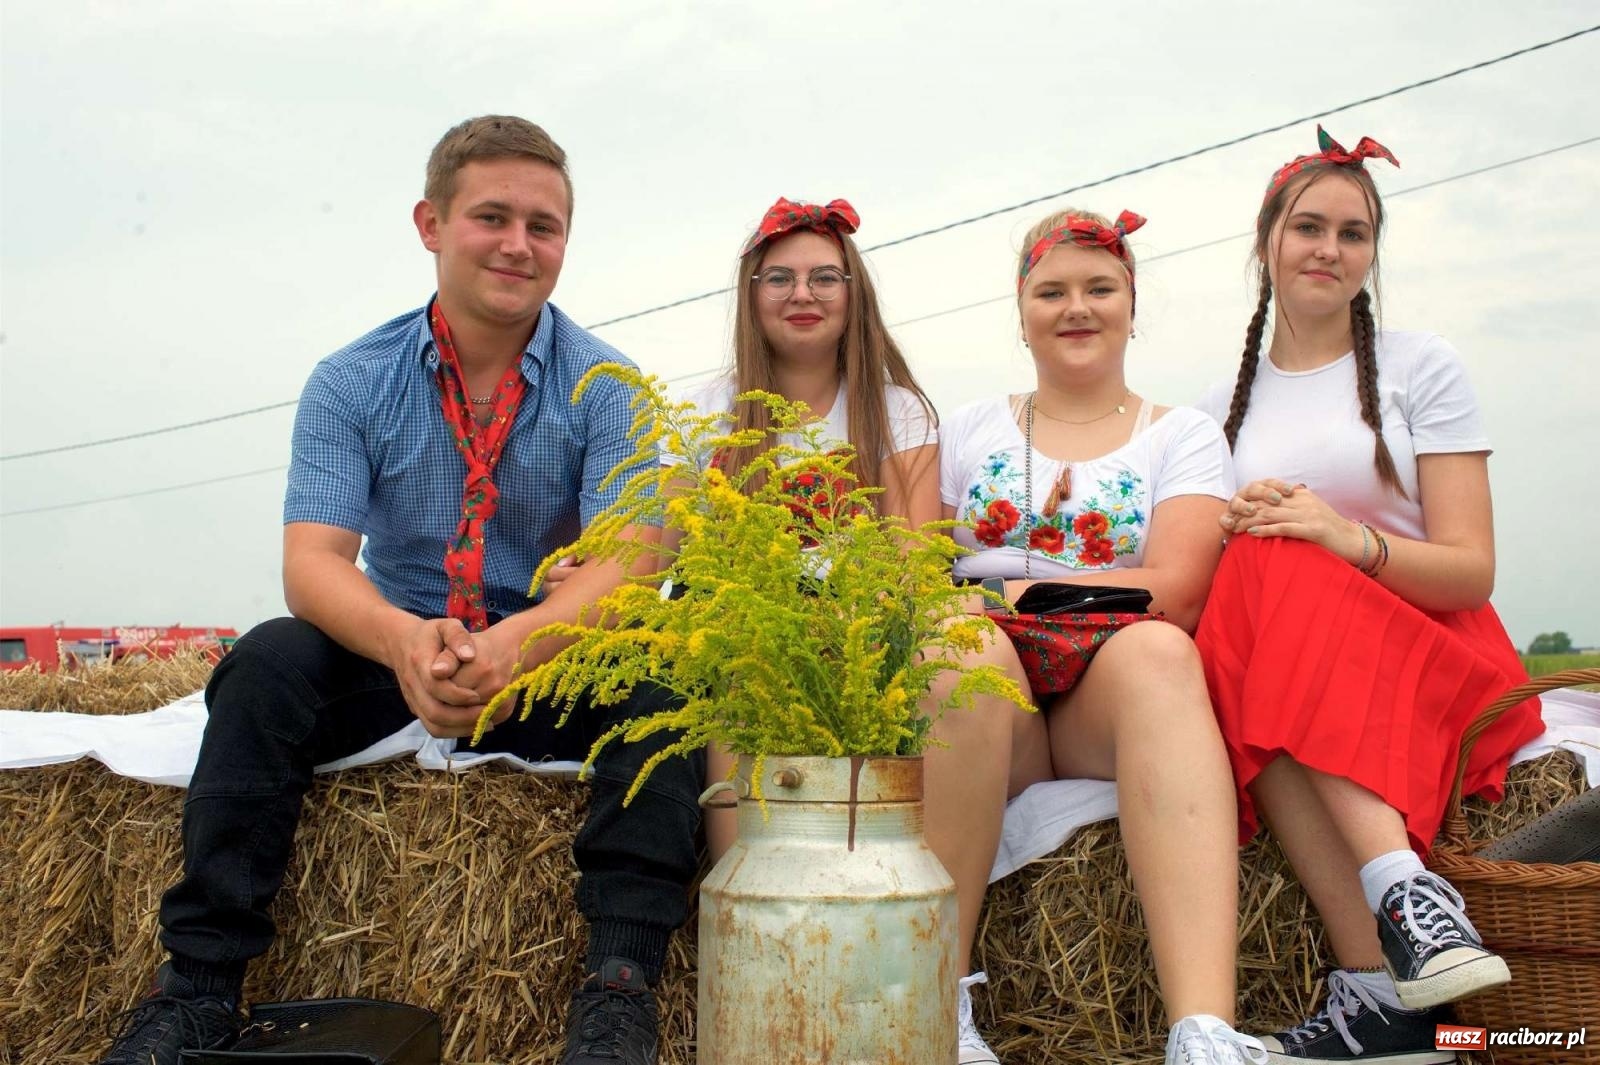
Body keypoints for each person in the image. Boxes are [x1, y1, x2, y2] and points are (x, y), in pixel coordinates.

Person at [97, 115, 703, 1065]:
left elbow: (629, 568)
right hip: (400, 645)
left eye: (543, 225)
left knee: (665, 691)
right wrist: (402, 641)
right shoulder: (351, 381)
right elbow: (312, 563)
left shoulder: (613, 387)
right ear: (430, 222)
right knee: (263, 664)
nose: (518, 244)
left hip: (543, 652)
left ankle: (619, 991)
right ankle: (197, 990)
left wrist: (522, 642)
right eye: (491, 216)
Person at [1193, 127, 1545, 1064]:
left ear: (1371, 254)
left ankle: (1404, 898)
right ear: (1266, 241)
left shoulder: (1420, 364)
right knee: (1251, 584)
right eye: (1309, 226)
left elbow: (1473, 568)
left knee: (1285, 563)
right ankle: (1396, 986)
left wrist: (1344, 538)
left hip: (1436, 655)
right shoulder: (1215, 407)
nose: (1329, 249)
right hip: (1302, 665)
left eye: (1354, 233)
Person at [935, 209, 1265, 1065]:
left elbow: (1180, 588)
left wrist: (1008, 582)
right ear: (1021, 309)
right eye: (1052, 290)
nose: (1076, 307)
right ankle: (939, 1009)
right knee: (960, 652)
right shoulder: (968, 430)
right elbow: (913, 569)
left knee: (1162, 648)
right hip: (992, 709)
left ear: (1130, 302)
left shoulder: (1180, 434)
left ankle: (1204, 1031)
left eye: (1098, 288)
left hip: (1098, 702)